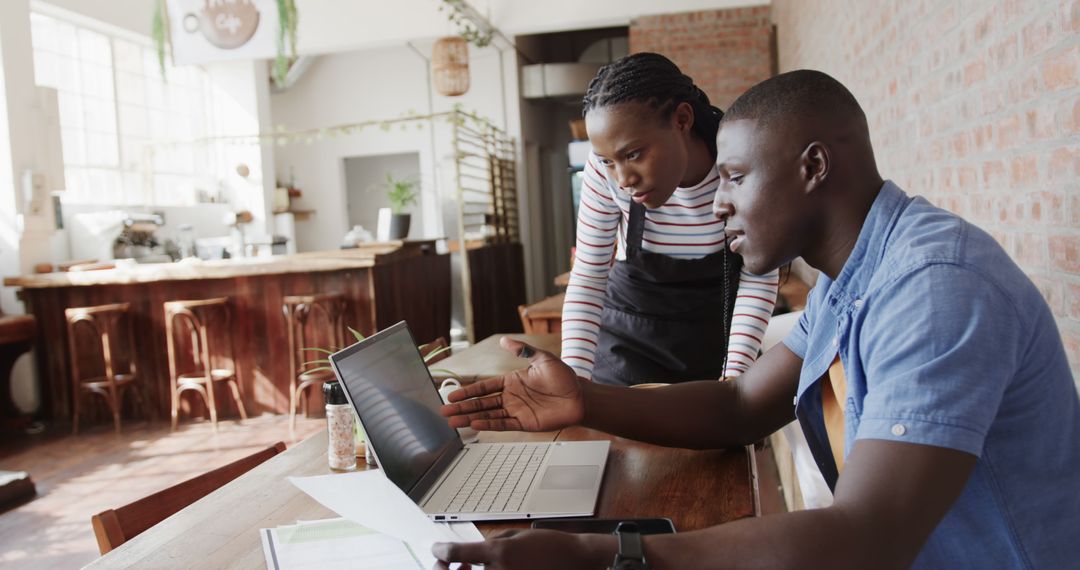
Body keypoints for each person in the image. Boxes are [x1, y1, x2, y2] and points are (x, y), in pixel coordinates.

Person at [433, 70, 1080, 568]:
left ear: (814, 167)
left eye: (735, 177)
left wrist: (602, 554)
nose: (717, 206)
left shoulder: (935, 289)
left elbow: (867, 537)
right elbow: (744, 403)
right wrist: (584, 401)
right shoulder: (851, 278)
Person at [562, 52, 779, 386]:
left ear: (682, 120)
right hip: (627, 347)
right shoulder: (602, 171)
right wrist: (573, 380)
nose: (622, 179)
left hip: (719, 341)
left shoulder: (740, 164)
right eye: (608, 161)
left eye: (633, 154)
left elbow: (758, 277)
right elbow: (589, 276)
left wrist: (735, 379)